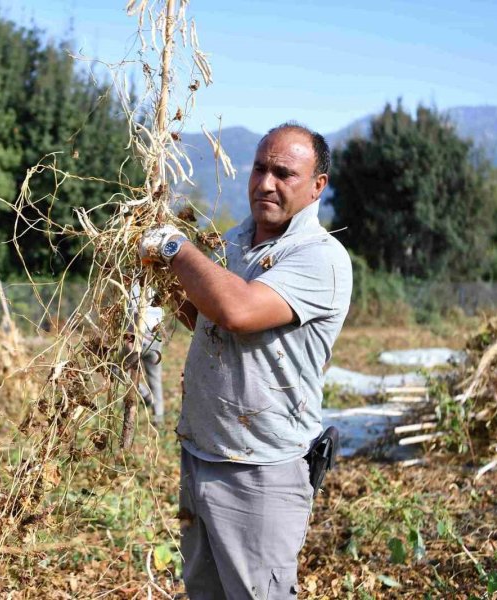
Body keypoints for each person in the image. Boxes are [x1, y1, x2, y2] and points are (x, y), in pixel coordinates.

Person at [139, 123, 352, 599]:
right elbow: (207, 318)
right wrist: (161, 272)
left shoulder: (320, 257)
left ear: (318, 186)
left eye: (284, 173)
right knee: (205, 591)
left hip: (261, 471)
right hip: (202, 454)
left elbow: (237, 312)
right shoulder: (236, 242)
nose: (265, 183)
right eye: (259, 168)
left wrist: (175, 247)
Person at [124, 282, 165, 424]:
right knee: (155, 377)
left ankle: (146, 395)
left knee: (118, 368)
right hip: (155, 335)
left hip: (138, 335)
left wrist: (130, 338)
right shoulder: (158, 284)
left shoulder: (136, 285)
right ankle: (158, 415)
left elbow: (136, 313)